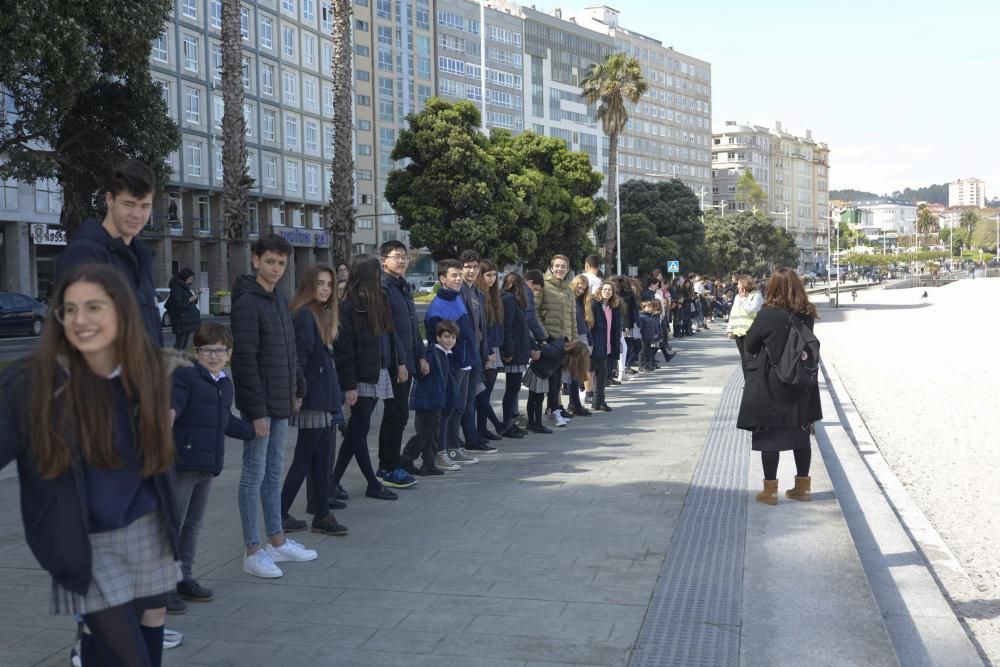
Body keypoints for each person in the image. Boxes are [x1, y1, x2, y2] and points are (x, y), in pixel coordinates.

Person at [0, 263, 182, 665]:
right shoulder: (33, 384)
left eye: (94, 308)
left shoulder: (145, 369)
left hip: (147, 527)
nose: (80, 320)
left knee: (139, 635)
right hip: (85, 541)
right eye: (69, 309)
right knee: (128, 656)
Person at [231, 234, 314, 579]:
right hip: (261, 407)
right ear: (255, 260)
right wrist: (256, 410)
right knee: (254, 475)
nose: (276, 269)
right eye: (270, 262)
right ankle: (253, 549)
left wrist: (298, 387)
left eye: (281, 263)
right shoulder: (247, 302)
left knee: (273, 473)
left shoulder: (278, 299)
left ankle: (277, 541)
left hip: (282, 401)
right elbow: (245, 361)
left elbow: (289, 350)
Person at [169, 322, 255, 612]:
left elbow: (225, 421)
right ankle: (161, 587)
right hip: (182, 464)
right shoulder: (186, 377)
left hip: (208, 465)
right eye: (208, 350)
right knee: (172, 525)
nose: (214, 356)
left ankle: (184, 578)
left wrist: (253, 431)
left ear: (229, 354)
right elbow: (174, 404)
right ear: (197, 352)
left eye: (221, 351)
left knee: (192, 525)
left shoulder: (224, 384)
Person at [737, 268, 823, 505]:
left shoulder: (768, 314)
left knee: (770, 436)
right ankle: (802, 488)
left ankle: (770, 492)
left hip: (772, 381)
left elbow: (750, 345)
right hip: (801, 381)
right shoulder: (806, 313)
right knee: (801, 433)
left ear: (772, 287)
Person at [54, 160, 163, 344]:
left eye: (144, 206)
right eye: (129, 204)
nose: (137, 214)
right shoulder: (83, 256)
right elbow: (78, 340)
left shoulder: (141, 258)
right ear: (109, 199)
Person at [279, 264, 349, 536]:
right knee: (305, 458)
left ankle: (322, 515)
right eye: (320, 283)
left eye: (329, 284)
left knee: (320, 459)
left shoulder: (319, 313)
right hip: (312, 397)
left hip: (322, 396)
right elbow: (301, 358)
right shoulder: (306, 315)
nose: (325, 289)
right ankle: (281, 512)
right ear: (308, 285)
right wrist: (300, 393)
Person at [332, 255, 409, 501]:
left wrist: (399, 362)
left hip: (380, 372)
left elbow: (389, 334)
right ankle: (371, 483)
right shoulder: (349, 303)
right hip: (362, 376)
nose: (379, 276)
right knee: (359, 431)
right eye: (375, 272)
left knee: (357, 431)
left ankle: (333, 482)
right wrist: (350, 384)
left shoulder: (380, 299)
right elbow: (344, 349)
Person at [377, 241, 427, 489]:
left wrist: (421, 355)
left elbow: (411, 327)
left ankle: (391, 464)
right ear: (383, 259)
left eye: (405, 257)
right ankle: (388, 466)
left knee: (400, 414)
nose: (402, 261)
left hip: (408, 360)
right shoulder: (383, 287)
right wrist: (401, 363)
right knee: (395, 414)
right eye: (397, 257)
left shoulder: (402, 287)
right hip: (396, 363)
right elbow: (390, 330)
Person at [425, 259, 480, 468]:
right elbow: (437, 341)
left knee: (459, 407)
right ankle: (441, 452)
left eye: (459, 275)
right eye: (454, 276)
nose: (459, 279)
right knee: (447, 408)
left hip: (466, 362)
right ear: (442, 279)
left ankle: (454, 447)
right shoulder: (437, 307)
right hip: (452, 365)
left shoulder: (457, 298)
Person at [401, 320, 462, 476]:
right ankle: (405, 460)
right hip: (427, 401)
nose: (450, 340)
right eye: (447, 336)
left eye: (453, 338)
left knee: (434, 434)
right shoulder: (431, 353)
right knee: (424, 434)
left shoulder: (446, 355)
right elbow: (421, 373)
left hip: (437, 402)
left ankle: (428, 464)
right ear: (438, 337)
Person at [458, 250, 496, 454]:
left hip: (477, 353)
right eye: (467, 267)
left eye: (474, 267)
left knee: (471, 397)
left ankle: (472, 437)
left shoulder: (478, 294)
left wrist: (486, 352)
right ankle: (466, 438)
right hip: (463, 352)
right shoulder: (459, 291)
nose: (471, 270)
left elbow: (482, 327)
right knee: (464, 400)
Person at [534, 255, 577, 426]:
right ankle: (552, 410)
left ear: (568, 269)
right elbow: (534, 313)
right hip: (549, 340)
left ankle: (555, 409)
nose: (560, 269)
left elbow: (572, 316)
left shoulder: (568, 289)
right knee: (550, 378)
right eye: (557, 266)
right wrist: (543, 336)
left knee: (558, 378)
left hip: (564, 341)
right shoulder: (543, 286)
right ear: (551, 268)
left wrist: (573, 338)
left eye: (563, 266)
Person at [522, 337, 591, 432]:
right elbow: (541, 351)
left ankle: (533, 423)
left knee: (534, 399)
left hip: (539, 371)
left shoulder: (561, 349)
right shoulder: (557, 352)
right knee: (537, 400)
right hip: (538, 372)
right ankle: (536, 424)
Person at [500, 272, 537, 438]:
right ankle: (507, 423)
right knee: (512, 389)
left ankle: (511, 422)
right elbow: (506, 327)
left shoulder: (516, 301)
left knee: (514, 390)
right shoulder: (508, 300)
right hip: (513, 352)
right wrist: (509, 350)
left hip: (519, 350)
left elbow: (523, 329)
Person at [475, 259, 506, 443]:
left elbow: (498, 326)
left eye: (494, 275)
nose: (492, 279)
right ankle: (489, 425)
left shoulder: (496, 296)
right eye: (488, 275)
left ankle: (483, 428)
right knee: (481, 393)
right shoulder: (478, 296)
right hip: (484, 349)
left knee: (486, 391)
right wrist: (487, 351)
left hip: (495, 347)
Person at [589, 280, 621, 411]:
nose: (607, 291)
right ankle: (597, 401)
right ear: (600, 291)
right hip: (596, 344)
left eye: (610, 290)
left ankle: (598, 401)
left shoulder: (612, 307)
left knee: (602, 374)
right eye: (605, 289)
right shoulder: (595, 305)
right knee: (598, 373)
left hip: (607, 344)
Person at [567, 274, 594, 416]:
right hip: (573, 338)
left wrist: (590, 341)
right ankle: (574, 404)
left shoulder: (582, 302)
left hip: (582, 337)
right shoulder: (569, 299)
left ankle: (574, 403)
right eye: (578, 286)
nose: (580, 290)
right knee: (574, 373)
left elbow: (586, 324)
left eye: (583, 288)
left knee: (578, 374)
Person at [727, 275, 763, 377]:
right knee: (744, 358)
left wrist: (744, 299)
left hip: (750, 331)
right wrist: (730, 329)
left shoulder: (756, 295)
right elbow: (733, 313)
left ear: (744, 284)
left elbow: (751, 310)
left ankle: (752, 381)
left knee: (749, 357)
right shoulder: (738, 296)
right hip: (738, 332)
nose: (737, 286)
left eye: (738, 284)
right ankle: (747, 383)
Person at [166, 268, 202, 351]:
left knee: (183, 345)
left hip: (186, 321)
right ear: (185, 278)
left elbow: (188, 301)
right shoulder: (176, 288)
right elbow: (178, 305)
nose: (191, 281)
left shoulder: (184, 288)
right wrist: (190, 299)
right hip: (181, 321)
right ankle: (175, 362)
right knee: (180, 345)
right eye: (190, 279)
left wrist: (196, 296)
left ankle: (181, 362)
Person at [637, 300, 659, 371]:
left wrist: (655, 333)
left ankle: (647, 364)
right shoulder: (642, 317)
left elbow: (653, 326)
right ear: (643, 308)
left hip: (650, 336)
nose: (650, 308)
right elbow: (640, 327)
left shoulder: (651, 316)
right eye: (648, 307)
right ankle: (641, 366)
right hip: (643, 337)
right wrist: (640, 336)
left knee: (648, 351)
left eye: (651, 307)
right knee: (643, 351)